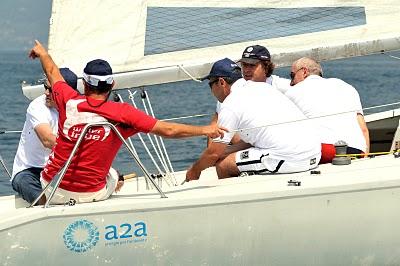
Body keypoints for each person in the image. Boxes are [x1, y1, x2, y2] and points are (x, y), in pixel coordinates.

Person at [28, 40, 226, 204]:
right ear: (112, 84)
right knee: (114, 174)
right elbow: (169, 130)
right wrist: (206, 130)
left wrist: (42, 53)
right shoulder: (123, 113)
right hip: (89, 194)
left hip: (51, 187)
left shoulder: (68, 100)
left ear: (85, 84)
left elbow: (53, 72)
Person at [186, 58, 321, 181]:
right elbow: (255, 138)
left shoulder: (230, 103)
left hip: (290, 159)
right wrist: (226, 151)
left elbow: (214, 152)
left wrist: (194, 171)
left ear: (221, 82)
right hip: (314, 154)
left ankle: (235, 206)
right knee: (229, 155)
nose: (211, 91)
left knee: (224, 165)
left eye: (211, 85)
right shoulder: (263, 87)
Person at [11, 68, 78, 204]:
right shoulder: (37, 106)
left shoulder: (78, 107)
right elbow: (47, 140)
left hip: (62, 169)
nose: (46, 93)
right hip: (31, 171)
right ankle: (47, 211)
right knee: (23, 181)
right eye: (45, 87)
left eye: (51, 90)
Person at [287, 57, 370, 163]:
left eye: (292, 76)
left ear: (304, 72)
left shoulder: (293, 92)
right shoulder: (347, 87)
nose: (291, 83)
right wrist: (366, 160)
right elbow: (363, 129)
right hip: (357, 151)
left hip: (326, 151)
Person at [210, 45, 290, 145]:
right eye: (244, 65)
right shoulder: (232, 93)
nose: (246, 70)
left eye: (252, 65)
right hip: (249, 143)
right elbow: (215, 126)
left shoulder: (284, 86)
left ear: (266, 67)